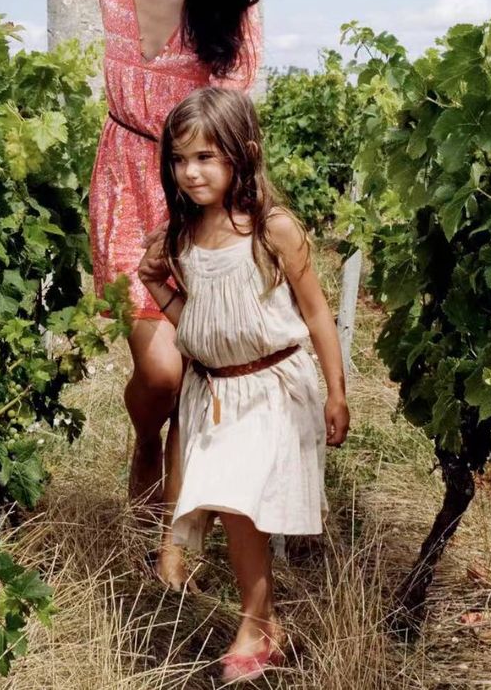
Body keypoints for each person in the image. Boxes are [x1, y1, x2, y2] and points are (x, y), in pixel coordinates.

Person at [89, 0, 265, 588]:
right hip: (126, 184)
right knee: (160, 372)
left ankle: (171, 544)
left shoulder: (227, 6)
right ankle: (142, 443)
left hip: (195, 194)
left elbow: (231, 125)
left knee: (196, 372)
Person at [138, 87, 350, 683]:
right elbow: (202, 324)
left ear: (243, 154)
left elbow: (316, 314)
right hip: (216, 395)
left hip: (272, 388)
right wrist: (157, 287)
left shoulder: (271, 229)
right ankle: (264, 624)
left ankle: (256, 626)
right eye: (180, 159)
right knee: (236, 509)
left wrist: (336, 391)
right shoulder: (185, 236)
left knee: (239, 504)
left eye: (205, 157)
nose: (190, 172)